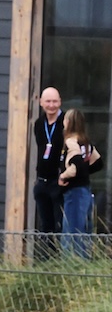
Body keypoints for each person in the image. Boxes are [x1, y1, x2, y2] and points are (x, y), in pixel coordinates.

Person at [57, 108, 101, 258]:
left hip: (74, 193)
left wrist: (63, 176)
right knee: (84, 231)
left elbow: (75, 165)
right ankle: (84, 263)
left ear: (68, 122)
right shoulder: (85, 142)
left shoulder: (71, 142)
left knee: (72, 232)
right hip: (85, 191)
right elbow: (98, 162)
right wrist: (84, 173)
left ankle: (72, 266)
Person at [32, 86, 67, 257]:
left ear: (60, 102)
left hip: (59, 182)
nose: (51, 105)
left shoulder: (66, 122)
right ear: (41, 103)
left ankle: (60, 259)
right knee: (45, 226)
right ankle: (47, 259)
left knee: (59, 224)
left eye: (55, 101)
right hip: (42, 181)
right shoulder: (39, 124)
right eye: (48, 101)